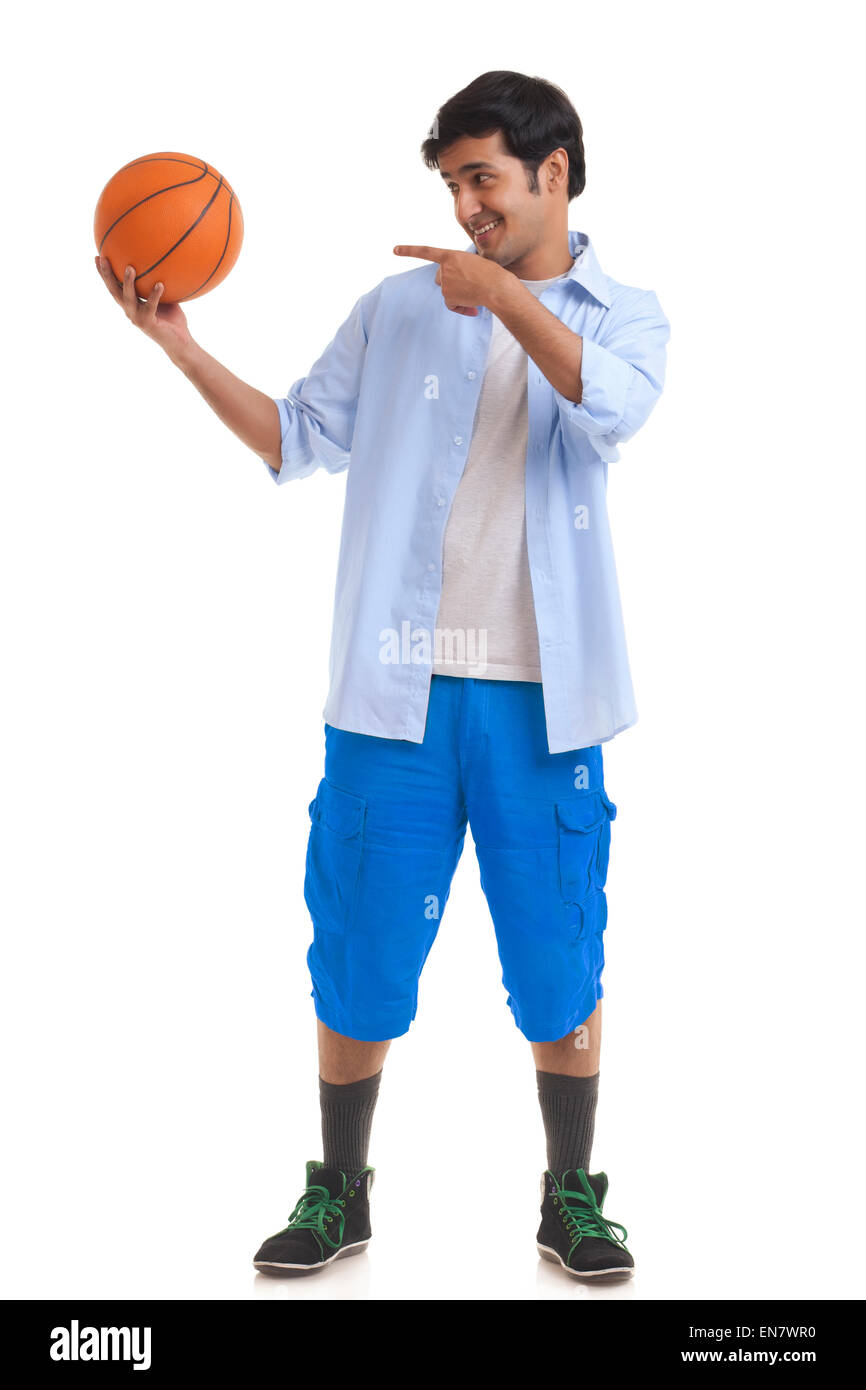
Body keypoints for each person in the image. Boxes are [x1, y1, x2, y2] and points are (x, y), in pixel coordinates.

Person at [95, 69, 669, 1283]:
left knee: (559, 957)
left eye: (484, 180)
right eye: (452, 182)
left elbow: (611, 406)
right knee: (355, 946)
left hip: (543, 704)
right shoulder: (398, 308)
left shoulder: (623, 314)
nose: (465, 206)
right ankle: (338, 1193)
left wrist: (505, 298)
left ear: (552, 170)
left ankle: (571, 1195)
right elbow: (298, 438)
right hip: (391, 697)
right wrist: (181, 349)